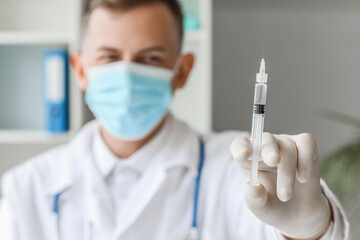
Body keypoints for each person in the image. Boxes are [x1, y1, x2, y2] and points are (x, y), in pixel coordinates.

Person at [0, 0, 349, 239]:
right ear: (79, 69)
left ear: (182, 71)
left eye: (149, 58)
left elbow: (271, 226)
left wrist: (309, 227)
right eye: (109, 57)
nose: (126, 75)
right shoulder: (23, 189)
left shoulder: (236, 168)